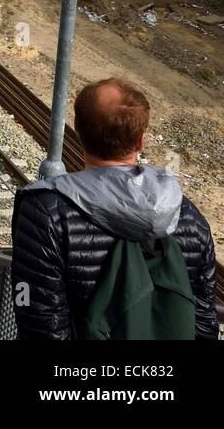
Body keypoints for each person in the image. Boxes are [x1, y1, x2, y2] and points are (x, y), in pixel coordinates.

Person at [11, 78, 217, 340]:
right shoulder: (189, 217)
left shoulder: (45, 212)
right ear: (141, 141)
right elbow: (204, 321)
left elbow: (39, 323)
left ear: (78, 131)